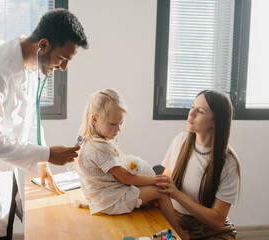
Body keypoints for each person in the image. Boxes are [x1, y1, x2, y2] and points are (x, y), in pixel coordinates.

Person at [0, 9, 88, 239]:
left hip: (5, 172)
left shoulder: (31, 66)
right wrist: (46, 154)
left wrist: (44, 163)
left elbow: (31, 121)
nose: (63, 68)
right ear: (43, 45)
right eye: (62, 59)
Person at [76, 89, 190, 240]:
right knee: (160, 191)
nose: (118, 129)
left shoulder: (86, 138)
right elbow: (126, 178)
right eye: (113, 124)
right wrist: (157, 179)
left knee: (149, 187)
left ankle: (153, 208)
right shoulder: (101, 146)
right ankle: (180, 233)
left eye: (121, 123)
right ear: (94, 119)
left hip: (99, 198)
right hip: (110, 202)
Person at [156, 90, 241, 239]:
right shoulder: (180, 141)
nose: (191, 113)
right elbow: (164, 187)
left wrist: (177, 195)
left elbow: (217, 221)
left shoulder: (228, 163)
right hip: (175, 221)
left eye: (200, 111)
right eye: (192, 106)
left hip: (209, 231)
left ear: (215, 121)